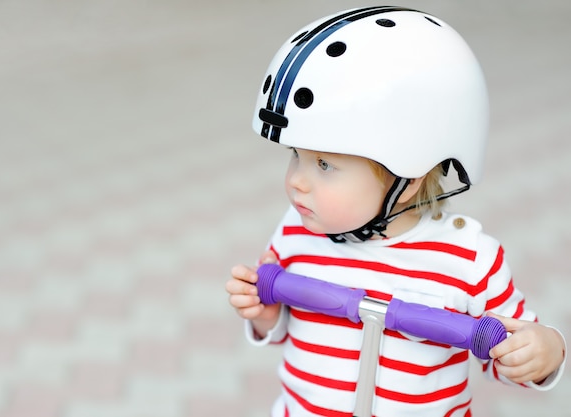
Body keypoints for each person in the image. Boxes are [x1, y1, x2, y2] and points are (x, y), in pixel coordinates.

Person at [225, 6, 566, 417]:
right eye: (296, 155)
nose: (297, 179)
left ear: (409, 177)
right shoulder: (296, 232)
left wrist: (543, 352)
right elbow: (288, 335)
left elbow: (506, 356)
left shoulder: (468, 259)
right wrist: (267, 317)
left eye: (325, 165)